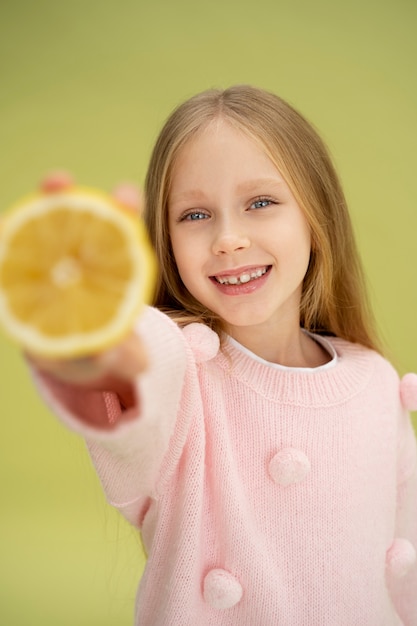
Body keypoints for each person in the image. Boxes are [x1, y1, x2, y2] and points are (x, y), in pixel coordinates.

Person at [31, 85, 417, 625]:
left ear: (316, 214)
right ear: (165, 240)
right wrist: (96, 323)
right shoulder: (181, 376)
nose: (228, 239)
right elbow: (132, 369)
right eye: (194, 215)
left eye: (261, 203)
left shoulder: (375, 384)